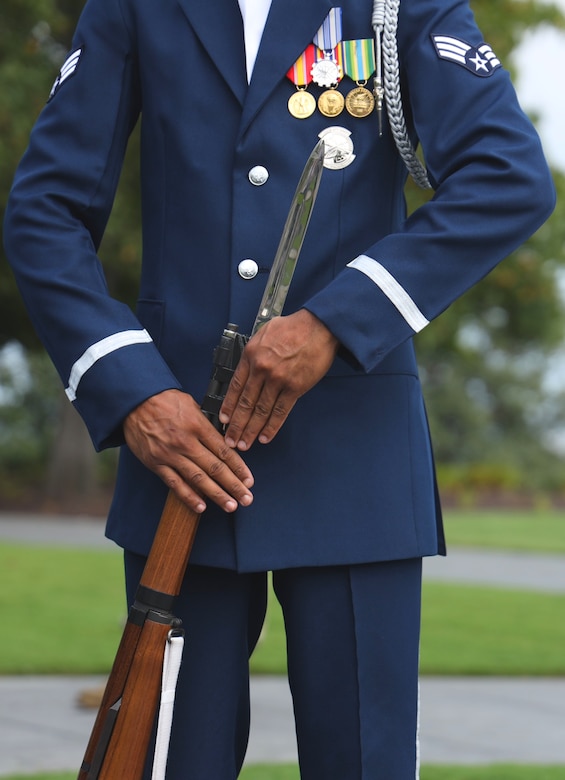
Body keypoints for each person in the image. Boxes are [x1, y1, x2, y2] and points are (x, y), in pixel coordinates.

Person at [3, 0, 555, 777]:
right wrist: (130, 391)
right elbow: (44, 212)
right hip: (183, 450)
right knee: (170, 764)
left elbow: (509, 176)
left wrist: (335, 322)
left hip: (352, 458)